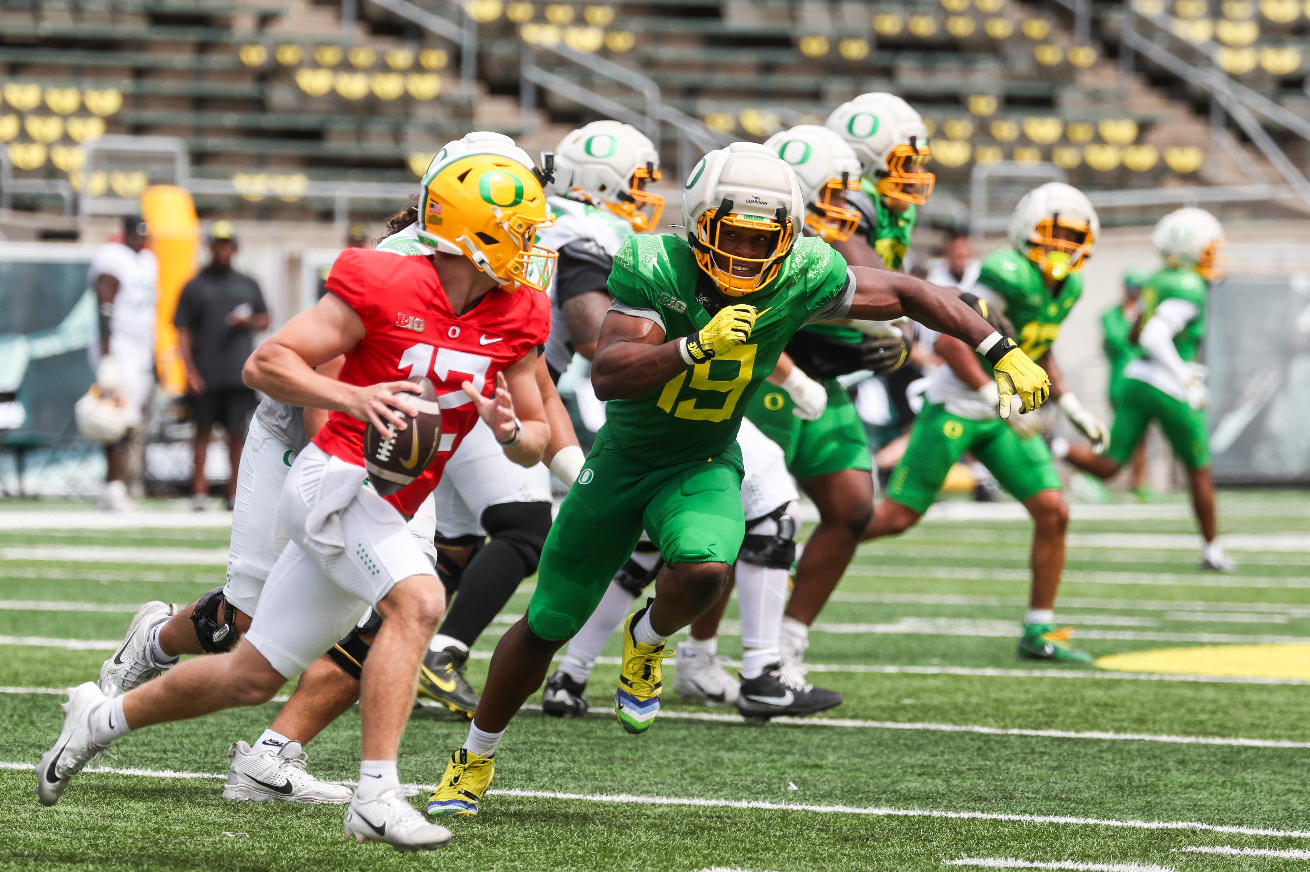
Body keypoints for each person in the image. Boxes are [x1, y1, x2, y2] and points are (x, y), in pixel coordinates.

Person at [426, 141, 1052, 818]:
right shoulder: (653, 264)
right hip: (624, 464)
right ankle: (475, 756)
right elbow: (608, 375)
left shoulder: (802, 272)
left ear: (789, 238)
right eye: (736, 236)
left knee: (702, 570)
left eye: (766, 240)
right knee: (546, 622)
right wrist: (694, 345)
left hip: (703, 460)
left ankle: (648, 639)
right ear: (700, 224)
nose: (750, 254)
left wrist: (1000, 349)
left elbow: (910, 293)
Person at [36, 132, 557, 852]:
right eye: (520, 229)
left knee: (248, 673)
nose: (531, 246)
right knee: (421, 598)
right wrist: (358, 399)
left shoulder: (517, 312)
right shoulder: (386, 277)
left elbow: (533, 433)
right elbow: (268, 362)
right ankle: (377, 795)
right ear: (474, 227)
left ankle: (98, 720)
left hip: (393, 491)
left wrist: (506, 431)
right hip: (330, 471)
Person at [537, 122, 842, 722]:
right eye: (637, 181)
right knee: (773, 505)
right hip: (645, 406)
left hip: (643, 402)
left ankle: (573, 675)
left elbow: (743, 318)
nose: (647, 192)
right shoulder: (595, 240)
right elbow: (607, 345)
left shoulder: (590, 229)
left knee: (658, 548)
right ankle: (756, 669)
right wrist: (698, 348)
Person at [852, 183, 1110, 665]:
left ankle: (1038, 628)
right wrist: (993, 394)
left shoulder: (1068, 285)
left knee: (1054, 511)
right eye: (1053, 235)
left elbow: (1037, 341)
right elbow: (953, 342)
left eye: (1072, 238)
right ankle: (799, 557)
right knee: (897, 517)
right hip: (957, 407)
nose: (1061, 248)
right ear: (1027, 231)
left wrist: (1070, 404)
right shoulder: (1004, 273)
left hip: (1001, 417)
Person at [760, 95, 933, 671]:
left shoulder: (880, 207)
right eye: (902, 159)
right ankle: (695, 653)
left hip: (820, 375)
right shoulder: (824, 201)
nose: (913, 172)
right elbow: (863, 285)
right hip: (767, 370)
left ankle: (786, 645)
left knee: (854, 507)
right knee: (740, 521)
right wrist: (885, 321)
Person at [1059, 208, 1235, 572]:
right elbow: (1154, 337)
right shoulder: (1188, 284)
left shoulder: (1155, 280)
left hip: (1137, 379)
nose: (1213, 257)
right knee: (1199, 469)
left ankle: (1052, 444)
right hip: (1168, 385)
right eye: (1207, 250)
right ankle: (1212, 550)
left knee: (1109, 464)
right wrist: (1184, 376)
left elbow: (1138, 332)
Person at [175, 220, 270, 511]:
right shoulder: (195, 284)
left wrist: (248, 322)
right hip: (204, 373)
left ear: (234, 248)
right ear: (210, 247)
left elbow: (265, 319)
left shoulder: (247, 283)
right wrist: (189, 371)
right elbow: (182, 331)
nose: (222, 250)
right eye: (218, 244)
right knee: (201, 433)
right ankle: (199, 492)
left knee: (236, 435)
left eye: (227, 245)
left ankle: (233, 492)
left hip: (238, 373)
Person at [89, 215, 158, 511]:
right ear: (125, 233)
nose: (140, 240)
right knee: (113, 418)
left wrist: (153, 356)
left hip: (141, 351)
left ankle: (122, 484)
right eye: (135, 234)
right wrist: (107, 355)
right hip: (119, 350)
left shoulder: (149, 261)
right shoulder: (112, 257)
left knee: (131, 421)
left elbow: (147, 315)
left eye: (144, 235)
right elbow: (104, 305)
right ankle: (114, 486)